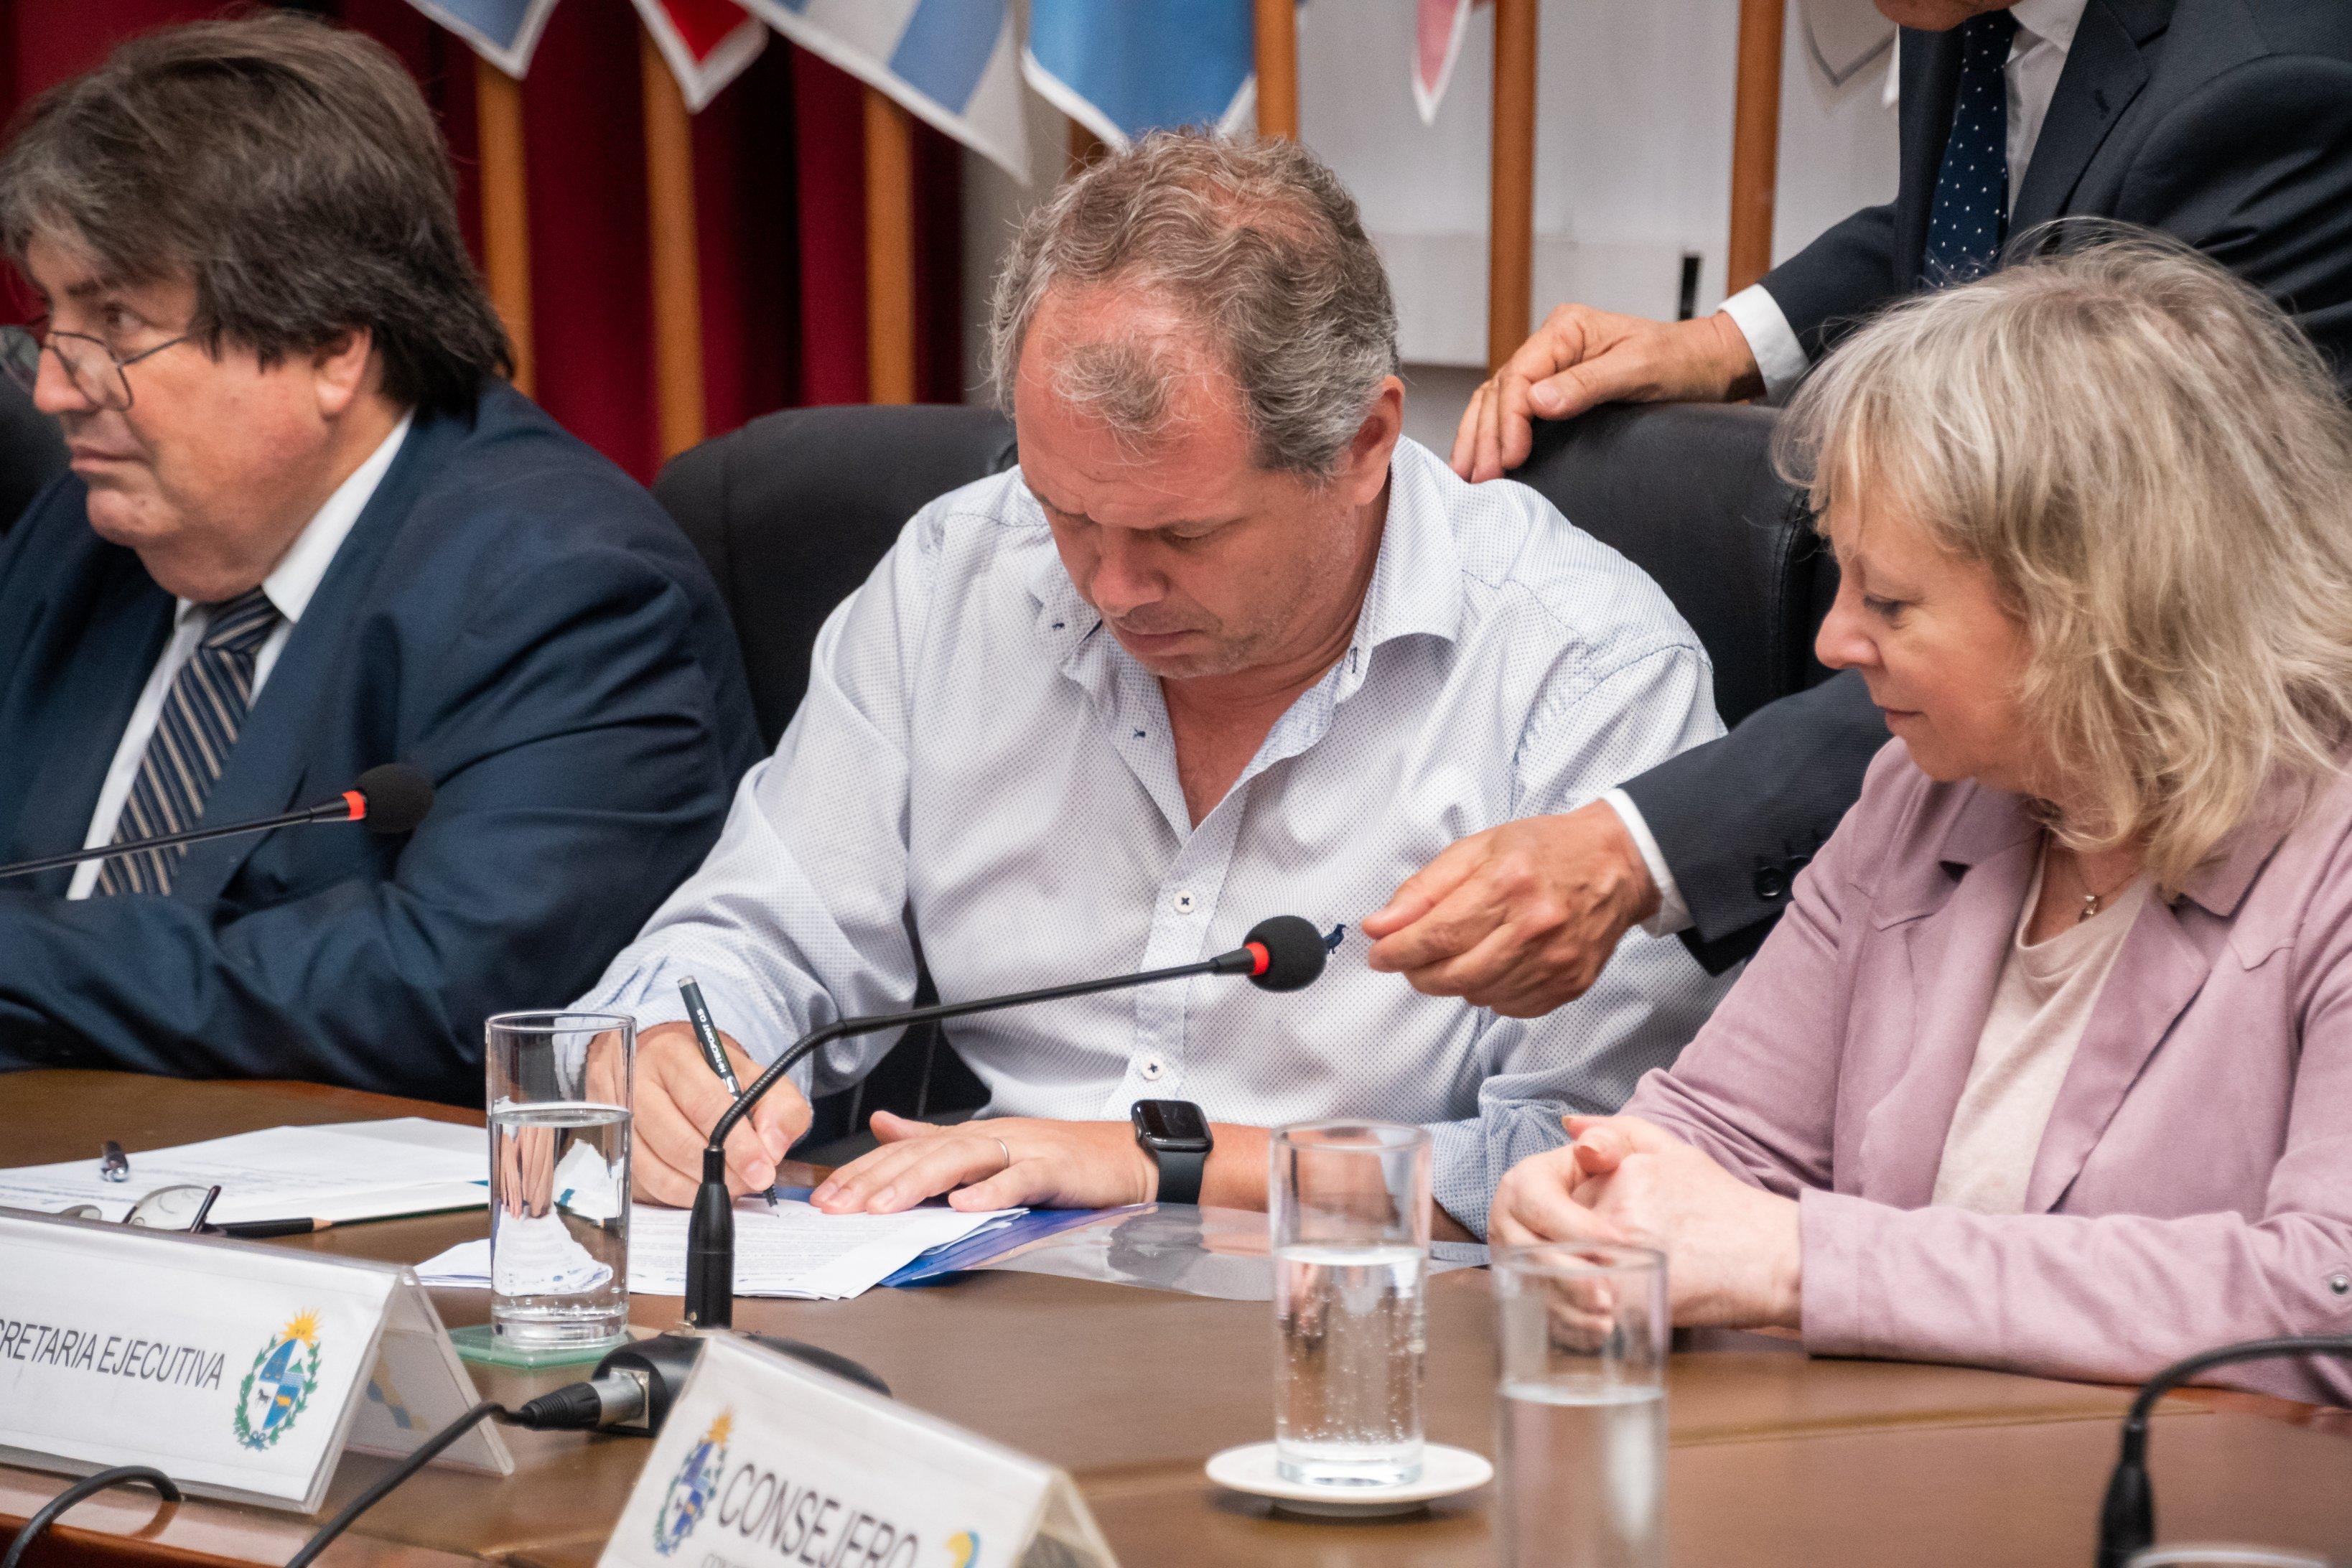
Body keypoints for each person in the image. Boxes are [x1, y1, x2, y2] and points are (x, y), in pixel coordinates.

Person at [575, 133, 1733, 1239]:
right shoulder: (959, 573)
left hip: (1374, 1338)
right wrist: (677, 1048)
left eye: (1184, 531)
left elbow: (1598, 1163)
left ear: (1365, 441)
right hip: (985, 1301)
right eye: (1067, 512)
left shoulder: (1582, 670)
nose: (1114, 587)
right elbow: (758, 932)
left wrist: (1167, 1163)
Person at [1488, 236, 2352, 1404]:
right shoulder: (1921, 793)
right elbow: (1719, 1141)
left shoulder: (2330, 851)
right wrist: (1590, 1196)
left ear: (2097, 607)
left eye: (1888, 600)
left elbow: (2322, 1302)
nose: (1836, 645)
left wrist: (1805, 1264)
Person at [1366, 0, 2352, 1012]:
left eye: (1883, 605)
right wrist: (1730, 343)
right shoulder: (1965, 15)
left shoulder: (2269, 93)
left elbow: (2083, 609)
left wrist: (1636, 850)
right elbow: (2004, 222)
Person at [0, 17, 762, 1101]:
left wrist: (20, 954)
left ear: (329, 347)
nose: (54, 387)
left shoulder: (564, 584)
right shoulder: (85, 537)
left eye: (115, 325)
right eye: (53, 319)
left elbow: (451, 995)